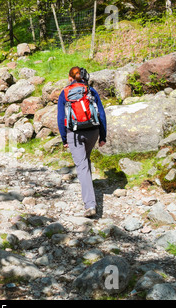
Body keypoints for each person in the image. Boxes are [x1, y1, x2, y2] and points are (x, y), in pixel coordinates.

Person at [57, 66, 107, 217]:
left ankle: (90, 205)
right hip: (93, 131)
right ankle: (89, 190)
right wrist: (103, 136)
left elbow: (60, 118)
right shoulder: (91, 91)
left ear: (70, 78)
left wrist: (64, 138)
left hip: (75, 133)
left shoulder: (65, 92)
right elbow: (101, 114)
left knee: (82, 166)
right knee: (85, 160)